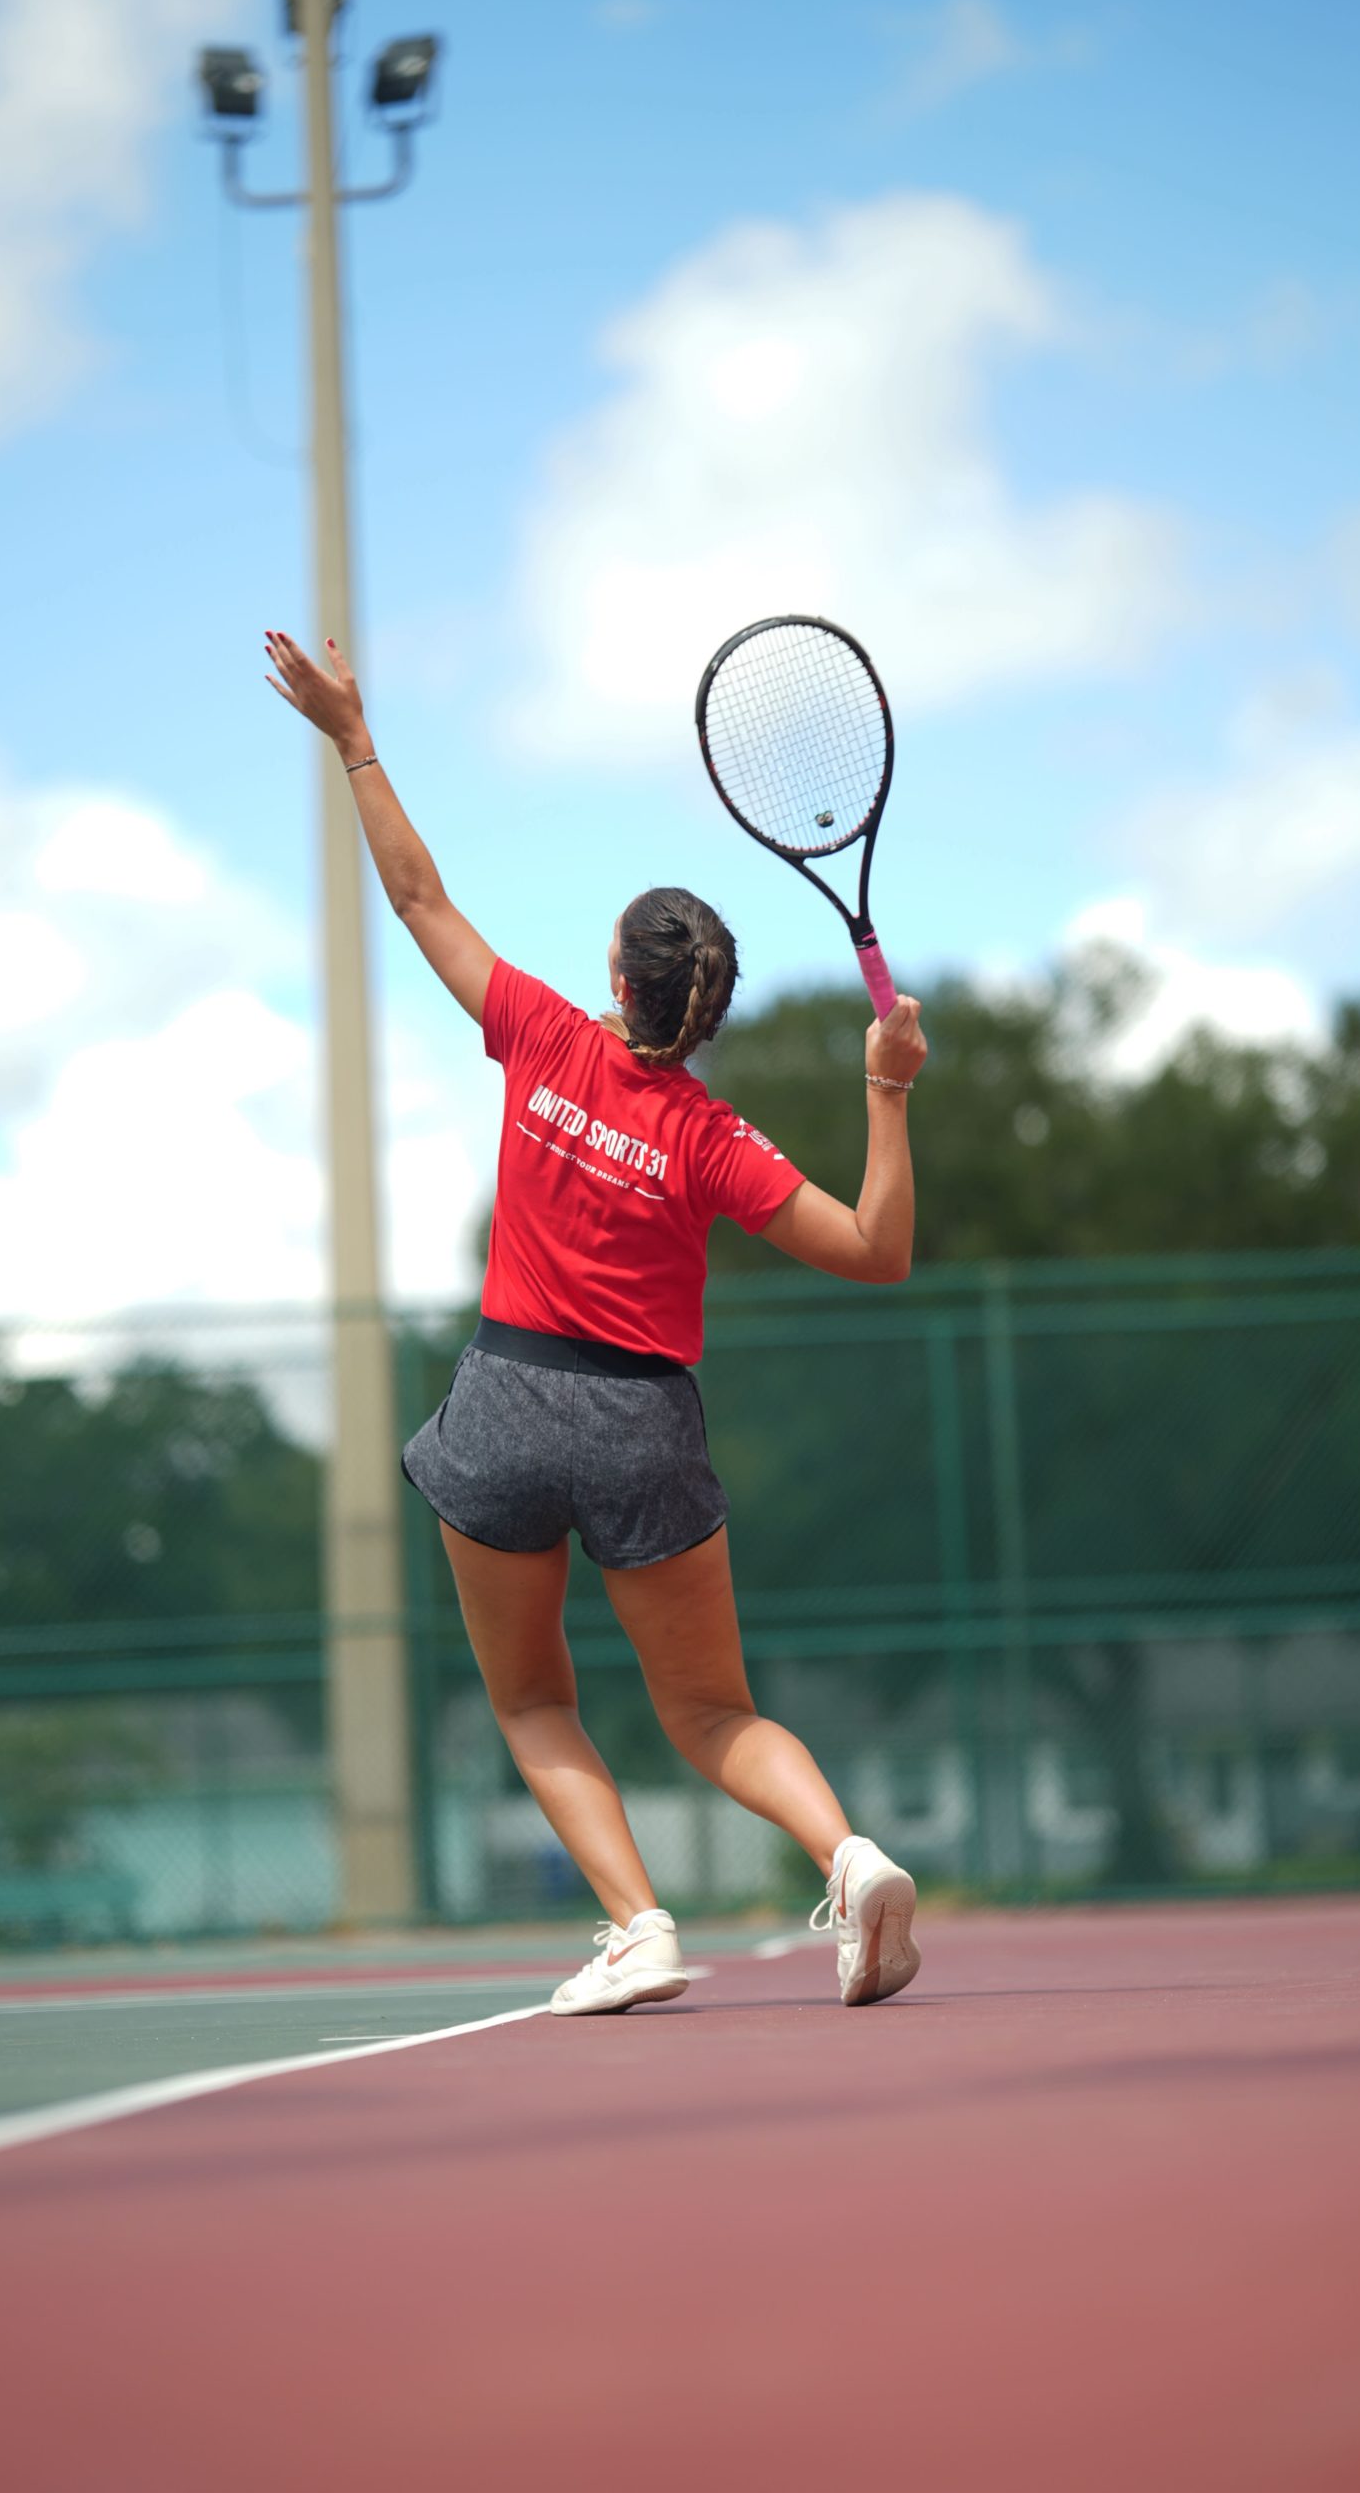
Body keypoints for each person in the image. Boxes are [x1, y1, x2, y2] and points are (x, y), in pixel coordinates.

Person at [265, 629, 929, 2015]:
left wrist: (352, 741)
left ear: (618, 982)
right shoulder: (716, 1140)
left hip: (508, 1406)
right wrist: (888, 1090)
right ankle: (851, 1856)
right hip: (644, 1422)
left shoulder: (543, 1036)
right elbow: (878, 1252)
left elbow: (416, 895)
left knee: (530, 1700)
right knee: (714, 1714)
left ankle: (638, 1927)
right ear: (706, 1014)